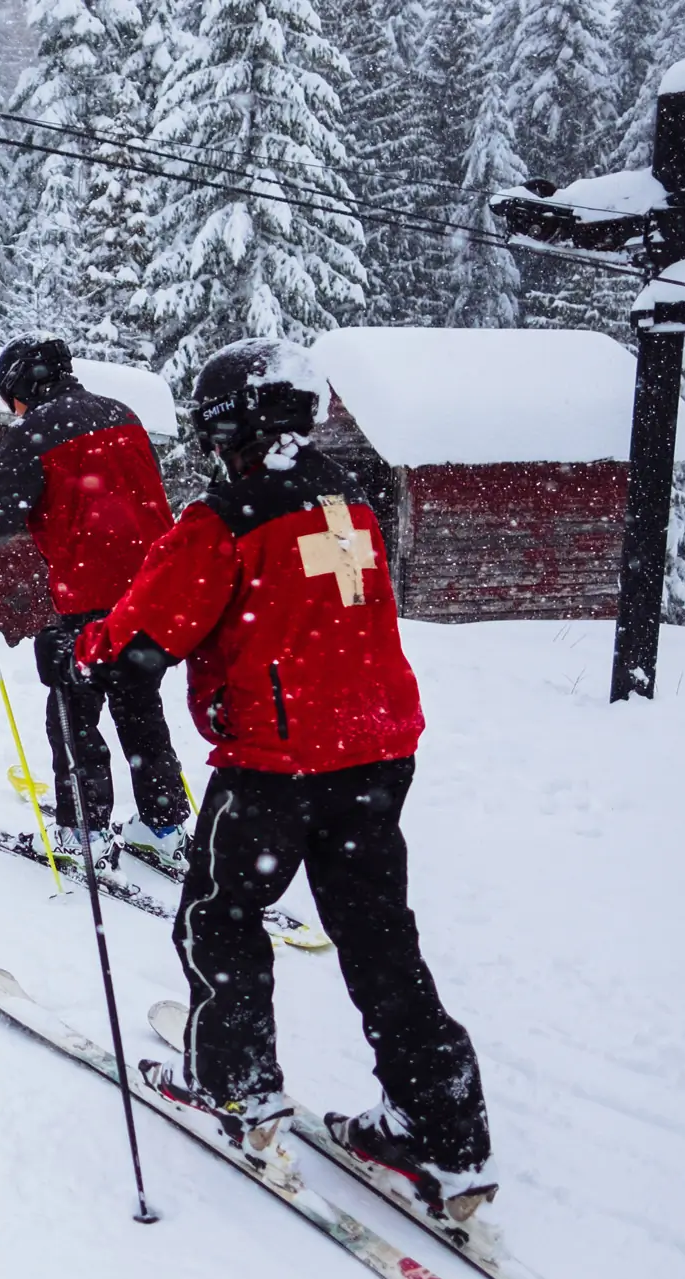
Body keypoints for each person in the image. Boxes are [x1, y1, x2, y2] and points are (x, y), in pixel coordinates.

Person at [73, 337, 495, 1219]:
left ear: (228, 426)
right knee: (380, 938)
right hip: (377, 755)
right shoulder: (355, 503)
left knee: (220, 919)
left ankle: (239, 1091)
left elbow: (149, 636)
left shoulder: (224, 519)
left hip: (279, 763)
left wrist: (88, 651)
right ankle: (443, 1128)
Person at [0, 334, 192, 874]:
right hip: (154, 590)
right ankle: (165, 825)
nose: (9, 409)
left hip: (93, 595)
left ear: (19, 388)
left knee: (73, 711)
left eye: (6, 397)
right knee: (138, 705)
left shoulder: (35, 431)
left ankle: (83, 831)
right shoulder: (122, 415)